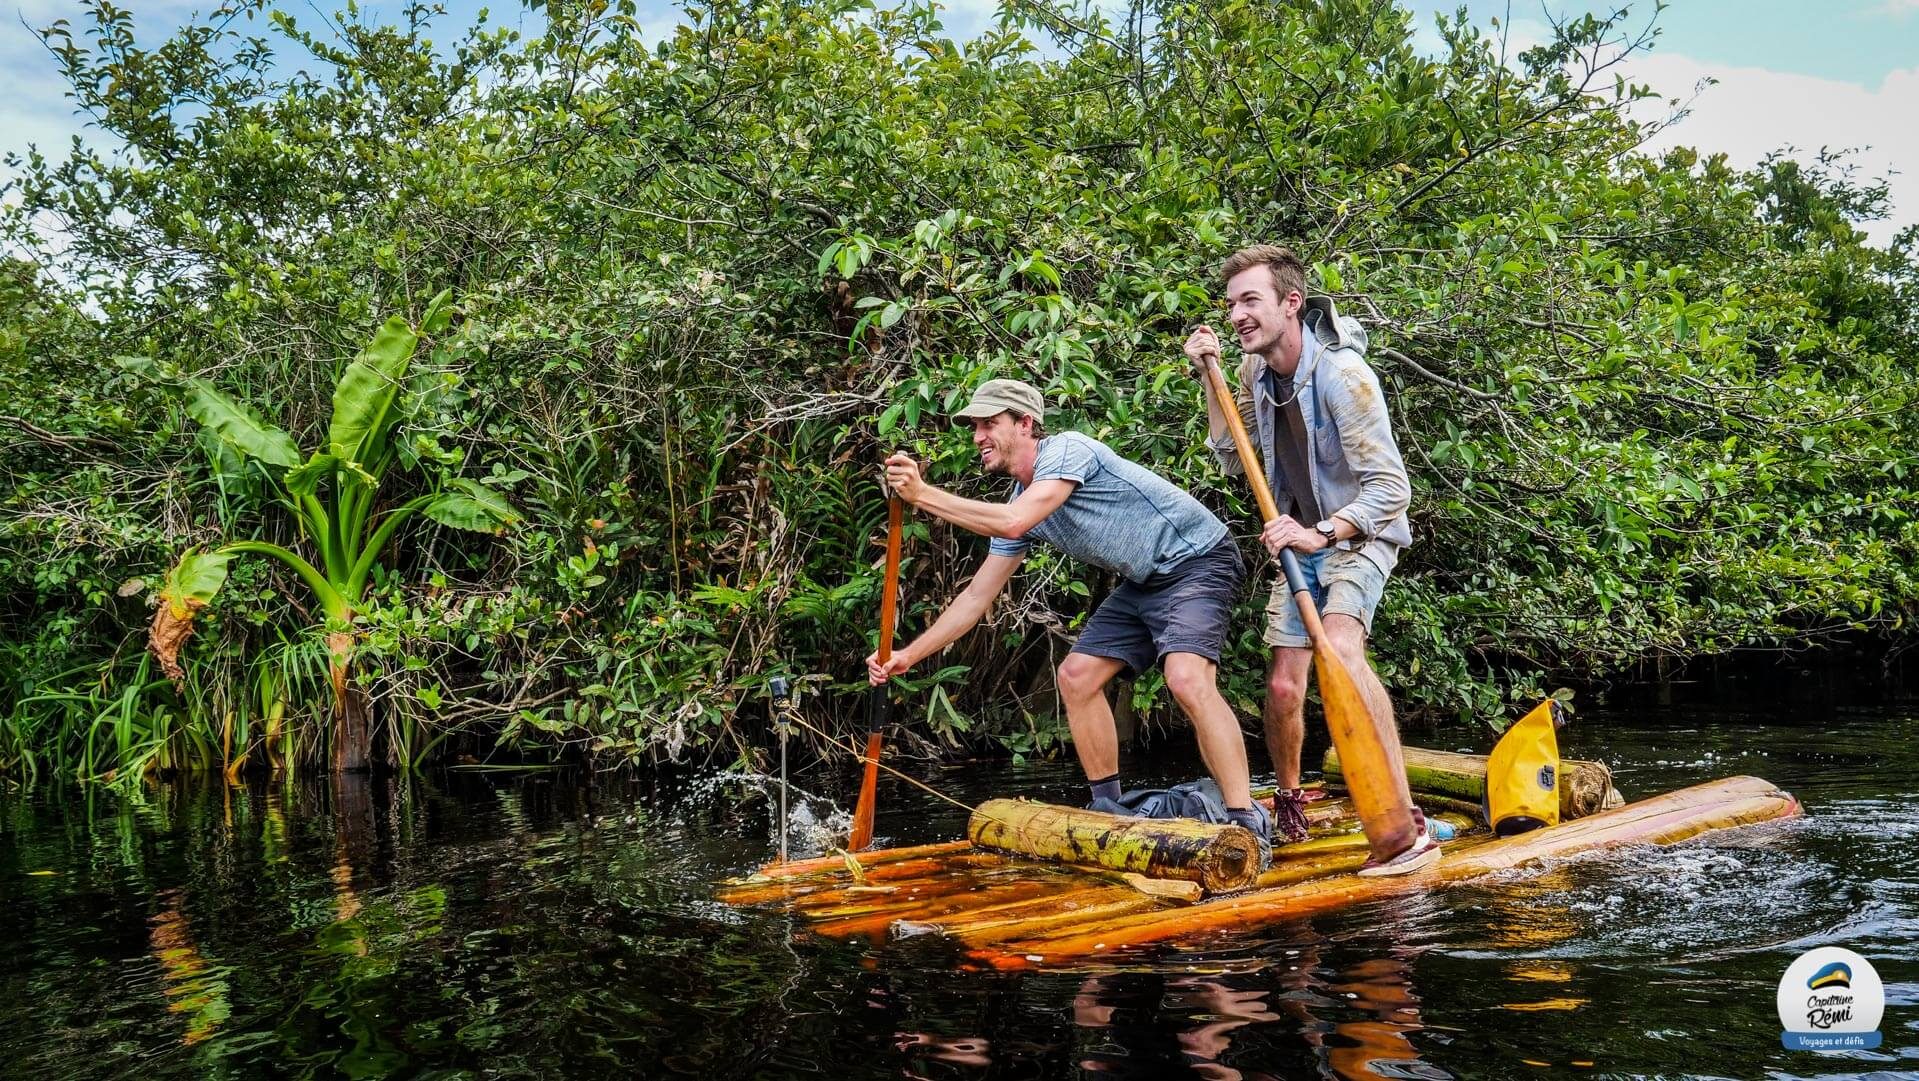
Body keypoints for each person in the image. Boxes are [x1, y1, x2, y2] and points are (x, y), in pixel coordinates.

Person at [864, 378, 1269, 843]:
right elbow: (976, 598)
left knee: (1185, 678)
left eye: (989, 424)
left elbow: (1017, 520)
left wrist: (922, 495)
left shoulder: (1067, 451)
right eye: (974, 426)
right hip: (1145, 580)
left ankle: (1243, 817)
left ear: (1025, 424)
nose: (978, 437)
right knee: (1076, 676)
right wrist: (906, 657)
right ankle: (1109, 808)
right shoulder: (1018, 504)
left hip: (1198, 560)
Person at [1187, 243, 1437, 873]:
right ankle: (1292, 799)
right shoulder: (1250, 371)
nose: (1238, 314)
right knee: (1282, 683)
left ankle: (1403, 819)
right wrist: (1210, 379)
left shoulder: (1344, 376)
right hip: (1298, 536)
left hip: (1358, 533)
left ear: (1290, 303)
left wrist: (1321, 534)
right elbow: (1230, 453)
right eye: (1232, 303)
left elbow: (1391, 490)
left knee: (1345, 651)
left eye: (1251, 300)